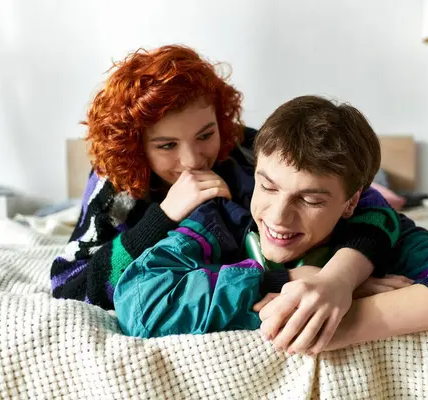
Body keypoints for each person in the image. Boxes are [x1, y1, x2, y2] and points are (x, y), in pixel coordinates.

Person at [50, 45, 393, 311]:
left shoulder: (244, 146)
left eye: (205, 134)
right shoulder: (116, 186)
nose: (193, 159)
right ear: (135, 145)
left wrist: (341, 278)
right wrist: (163, 216)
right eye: (167, 145)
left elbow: (368, 204)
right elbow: (68, 285)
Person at [113, 96, 401, 357]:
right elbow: (136, 301)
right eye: (267, 187)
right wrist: (283, 280)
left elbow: (383, 213)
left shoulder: (369, 221)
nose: (279, 217)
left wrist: (341, 280)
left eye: (311, 200)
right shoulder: (218, 219)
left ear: (351, 203)